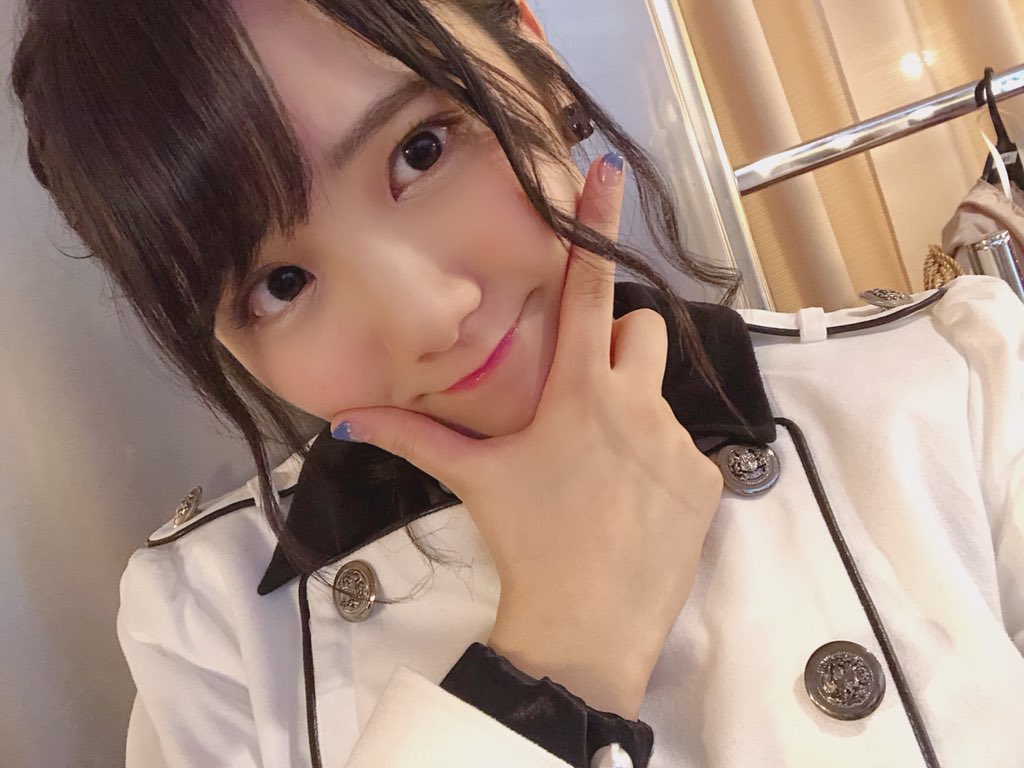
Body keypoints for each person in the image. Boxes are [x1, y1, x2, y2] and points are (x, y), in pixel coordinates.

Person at [10, 1, 1024, 766]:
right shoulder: (211, 633)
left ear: (537, 62)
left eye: (420, 151)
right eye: (280, 285)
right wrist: (554, 661)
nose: (426, 315)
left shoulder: (956, 384)